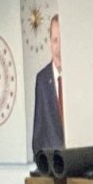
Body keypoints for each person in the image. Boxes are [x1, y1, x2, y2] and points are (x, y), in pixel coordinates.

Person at [31, 14, 67, 158]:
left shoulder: (79, 76)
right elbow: (38, 136)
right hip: (53, 170)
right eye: (55, 41)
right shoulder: (42, 79)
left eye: (62, 41)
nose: (58, 48)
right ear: (50, 43)